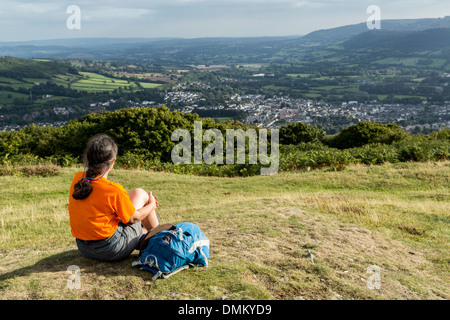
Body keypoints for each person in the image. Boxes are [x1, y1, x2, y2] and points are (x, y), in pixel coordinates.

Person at [68, 134, 160, 262]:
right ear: (113, 162)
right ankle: (160, 239)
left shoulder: (78, 178)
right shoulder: (113, 190)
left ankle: (145, 235)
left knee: (137, 194)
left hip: (83, 248)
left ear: (88, 159)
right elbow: (133, 219)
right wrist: (151, 205)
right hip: (110, 249)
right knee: (142, 198)